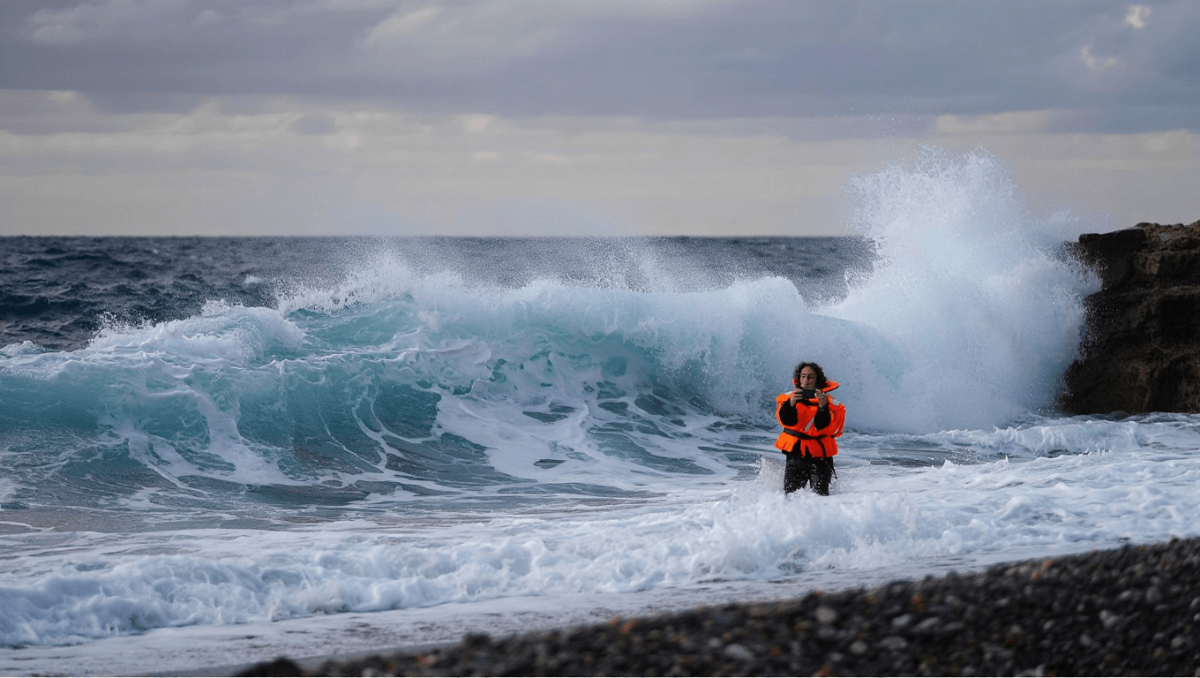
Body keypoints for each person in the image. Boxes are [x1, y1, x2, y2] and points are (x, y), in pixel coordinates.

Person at [773, 361, 846, 495]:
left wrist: (822, 408)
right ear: (799, 379)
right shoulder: (788, 399)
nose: (806, 380)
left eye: (811, 377)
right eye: (803, 376)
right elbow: (786, 421)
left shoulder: (829, 402)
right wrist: (791, 404)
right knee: (790, 496)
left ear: (818, 379)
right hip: (796, 453)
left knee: (821, 497)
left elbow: (823, 426)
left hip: (820, 455)